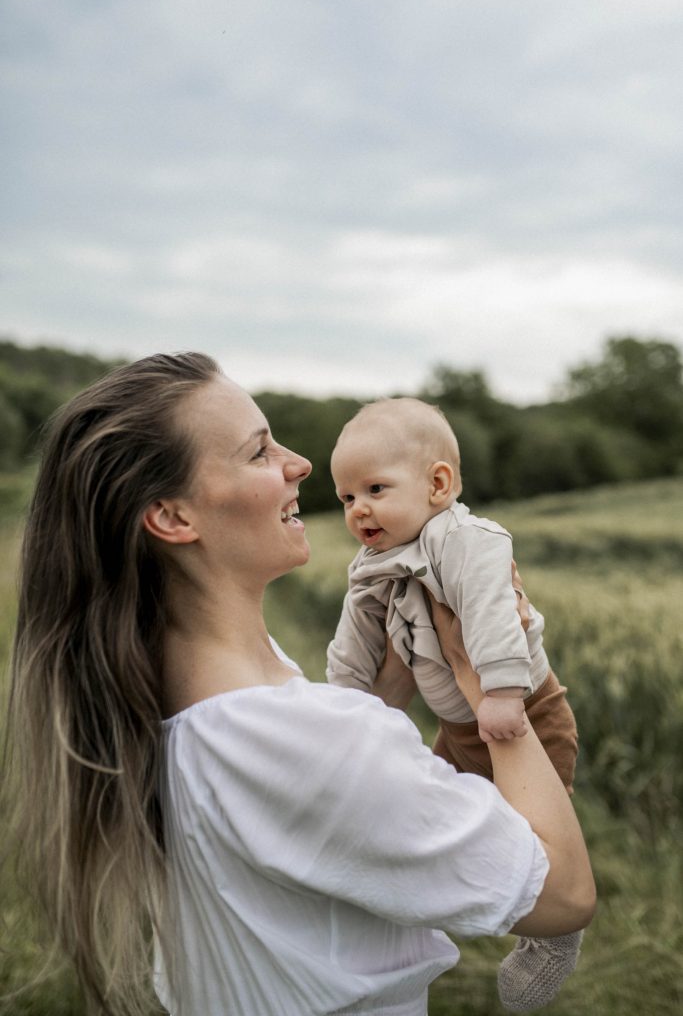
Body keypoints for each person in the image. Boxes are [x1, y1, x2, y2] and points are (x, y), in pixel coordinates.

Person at [3, 354, 594, 1016]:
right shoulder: (298, 735)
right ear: (173, 518)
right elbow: (565, 896)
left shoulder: (160, 690)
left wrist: (383, 696)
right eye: (259, 452)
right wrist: (483, 680)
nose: (300, 464)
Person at [327, 397, 583, 1012]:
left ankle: (554, 937)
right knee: (440, 817)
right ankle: (432, 907)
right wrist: (335, 707)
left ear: (438, 484)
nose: (358, 508)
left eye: (375, 488)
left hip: (526, 713)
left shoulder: (465, 541)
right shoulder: (374, 565)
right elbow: (354, 640)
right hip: (457, 726)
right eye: (345, 498)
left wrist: (499, 691)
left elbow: (496, 612)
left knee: (536, 843)